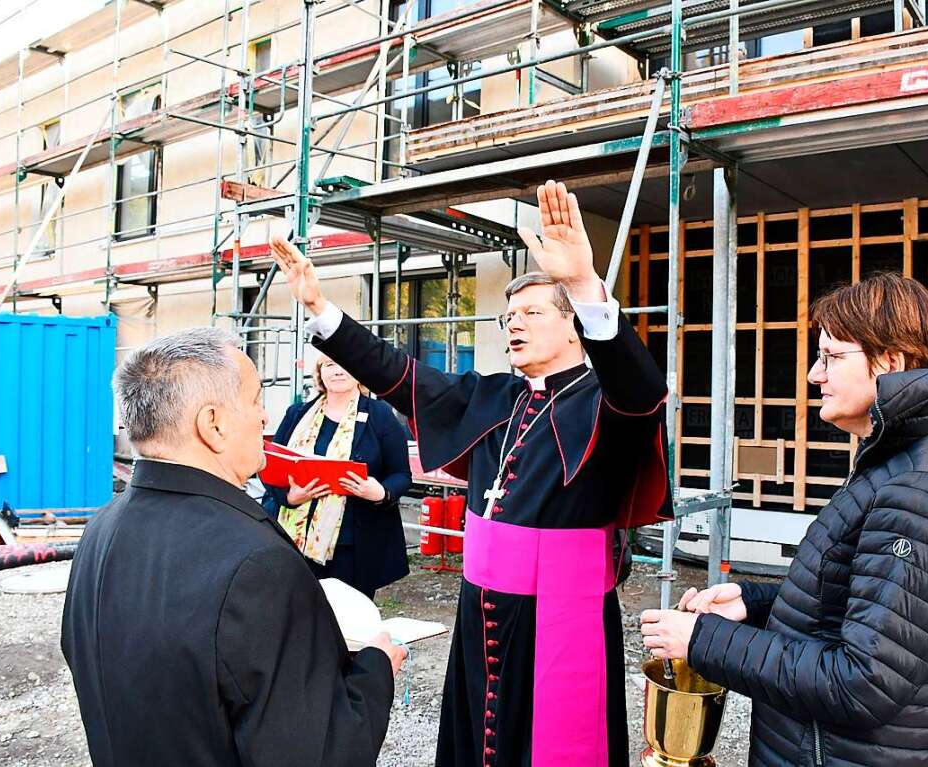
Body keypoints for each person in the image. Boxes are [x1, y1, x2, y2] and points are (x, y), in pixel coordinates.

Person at [270, 179, 672, 767]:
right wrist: (319, 309)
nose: (515, 323)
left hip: (558, 615)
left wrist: (585, 284)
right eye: (509, 314)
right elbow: (395, 373)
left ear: (572, 327)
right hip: (480, 606)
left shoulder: (606, 401)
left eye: (532, 312)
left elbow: (641, 392)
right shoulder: (494, 396)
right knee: (477, 736)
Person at [640, 273, 928, 767]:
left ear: (890, 362)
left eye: (831, 357)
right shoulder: (900, 458)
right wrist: (753, 601)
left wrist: (703, 641)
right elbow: (856, 599)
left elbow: (863, 681)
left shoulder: (921, 490)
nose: (813, 374)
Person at [61, 327, 406, 767]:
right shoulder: (258, 564)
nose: (265, 419)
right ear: (214, 424)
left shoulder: (99, 530)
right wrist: (375, 668)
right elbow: (319, 751)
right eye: (257, 398)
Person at [262, 354, 412, 599]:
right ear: (320, 373)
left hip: (354, 545)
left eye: (345, 364)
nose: (338, 371)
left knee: (349, 621)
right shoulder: (297, 414)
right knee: (300, 613)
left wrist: (380, 493)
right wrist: (290, 496)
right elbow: (270, 465)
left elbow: (402, 474)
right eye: (330, 365)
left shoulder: (380, 415)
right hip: (297, 540)